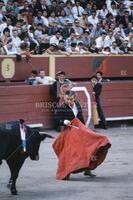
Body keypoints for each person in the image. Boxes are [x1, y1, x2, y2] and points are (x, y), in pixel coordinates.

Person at [53, 90, 111, 180]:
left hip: (80, 130)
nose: (69, 101)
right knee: (71, 152)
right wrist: (63, 121)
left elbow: (80, 119)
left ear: (74, 98)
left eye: (71, 99)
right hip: (70, 132)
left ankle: (87, 169)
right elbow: (56, 119)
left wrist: (85, 130)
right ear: (64, 98)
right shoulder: (62, 107)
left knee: (88, 148)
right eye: (67, 99)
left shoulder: (78, 105)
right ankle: (67, 171)